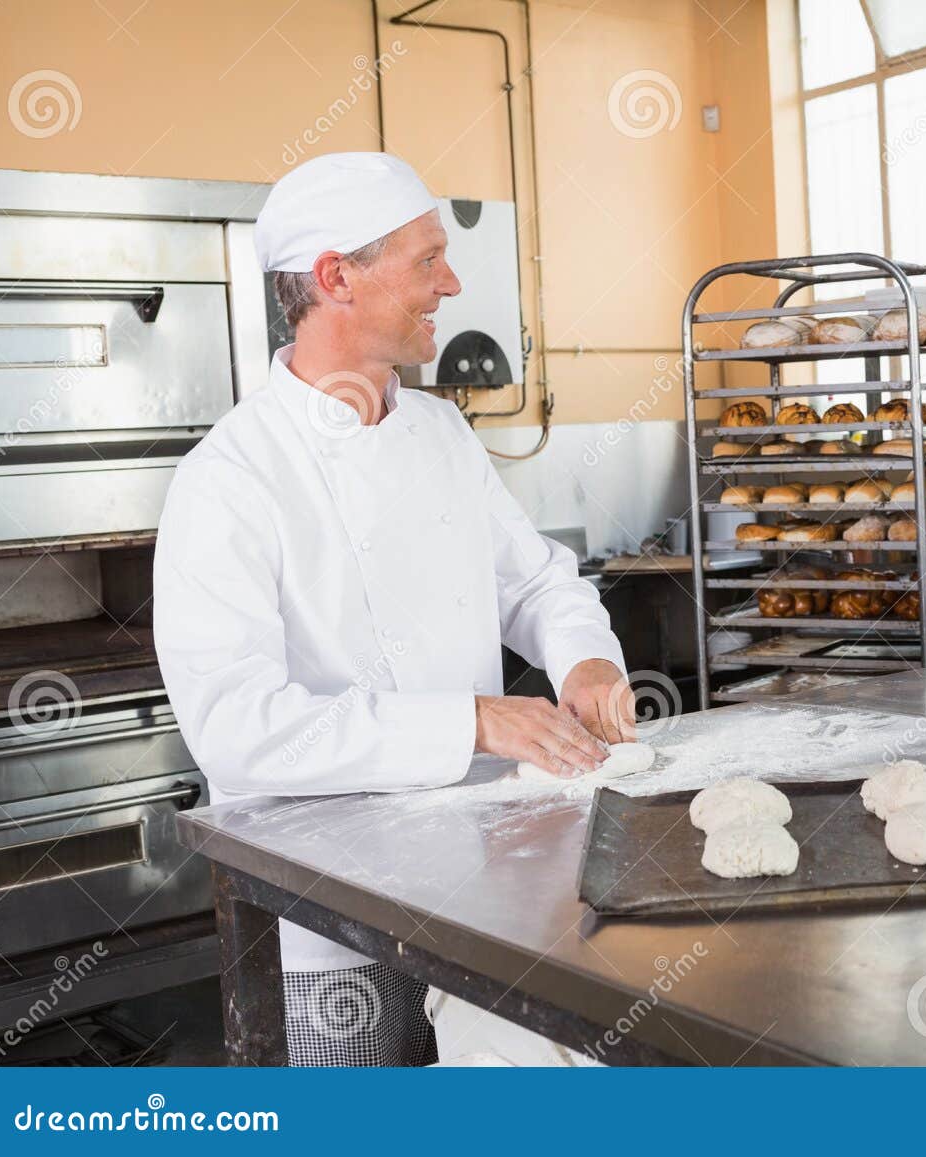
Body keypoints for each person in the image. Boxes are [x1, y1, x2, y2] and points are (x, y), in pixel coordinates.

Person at [154, 152, 633, 1065]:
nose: (450, 284)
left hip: (487, 891)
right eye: (426, 262)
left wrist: (584, 659)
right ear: (336, 277)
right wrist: (473, 722)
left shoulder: (441, 433)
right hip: (329, 924)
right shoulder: (231, 477)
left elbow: (533, 580)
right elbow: (236, 728)